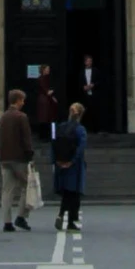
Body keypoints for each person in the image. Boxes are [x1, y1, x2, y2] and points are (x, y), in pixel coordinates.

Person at [0, 89, 34, 233]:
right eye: (22, 100)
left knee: (7, 190)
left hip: (5, 157)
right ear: (17, 100)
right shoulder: (21, 117)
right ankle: (21, 216)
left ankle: (7, 222)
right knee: (27, 186)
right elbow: (26, 139)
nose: (23, 102)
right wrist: (30, 155)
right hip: (19, 158)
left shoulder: (3, 117)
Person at [52, 101, 87, 237]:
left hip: (61, 163)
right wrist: (72, 161)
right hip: (74, 165)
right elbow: (81, 148)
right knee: (74, 193)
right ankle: (71, 221)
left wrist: (56, 161)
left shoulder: (60, 127)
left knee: (66, 192)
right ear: (80, 114)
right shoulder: (80, 130)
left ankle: (61, 214)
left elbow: (53, 144)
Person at [34, 65, 60, 142]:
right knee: (46, 118)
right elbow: (47, 91)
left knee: (46, 118)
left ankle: (46, 136)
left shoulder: (45, 78)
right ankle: (45, 136)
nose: (49, 70)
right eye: (47, 69)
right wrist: (53, 91)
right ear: (43, 70)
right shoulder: (42, 79)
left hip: (45, 100)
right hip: (44, 101)